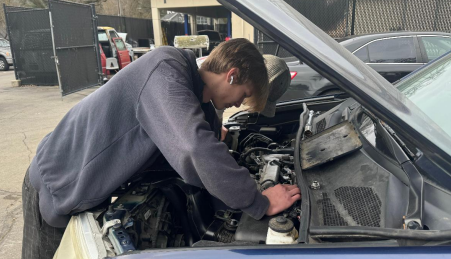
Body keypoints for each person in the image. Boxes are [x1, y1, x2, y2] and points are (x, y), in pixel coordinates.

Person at [22, 38, 301, 258]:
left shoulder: (199, 100)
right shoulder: (166, 67)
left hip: (86, 191)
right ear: (232, 75)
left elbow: (207, 141)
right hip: (56, 182)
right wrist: (259, 202)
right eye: (245, 95)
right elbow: (194, 147)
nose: (239, 104)